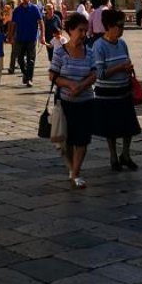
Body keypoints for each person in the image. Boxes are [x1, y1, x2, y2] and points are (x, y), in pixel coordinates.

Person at [49, 12, 97, 189]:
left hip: (86, 101)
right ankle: (71, 168)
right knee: (66, 139)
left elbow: (94, 73)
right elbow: (52, 75)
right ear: (70, 30)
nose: (84, 34)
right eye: (81, 30)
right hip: (66, 102)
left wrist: (82, 86)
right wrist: (70, 84)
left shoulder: (89, 52)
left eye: (86, 31)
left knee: (82, 139)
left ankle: (76, 172)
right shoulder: (60, 52)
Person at [92, 9, 141, 171]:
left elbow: (127, 61)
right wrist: (120, 67)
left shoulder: (122, 44)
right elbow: (99, 74)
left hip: (124, 91)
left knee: (129, 127)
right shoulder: (98, 46)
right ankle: (113, 156)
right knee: (111, 128)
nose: (123, 29)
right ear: (110, 26)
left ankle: (125, 154)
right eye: (120, 26)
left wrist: (128, 68)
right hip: (107, 94)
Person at [9, 0, 45, 87]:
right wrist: (11, 36)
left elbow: (41, 22)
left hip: (31, 38)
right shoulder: (17, 10)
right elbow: (12, 24)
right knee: (20, 59)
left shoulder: (34, 9)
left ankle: (29, 79)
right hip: (20, 38)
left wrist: (42, 36)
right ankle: (25, 73)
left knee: (31, 59)